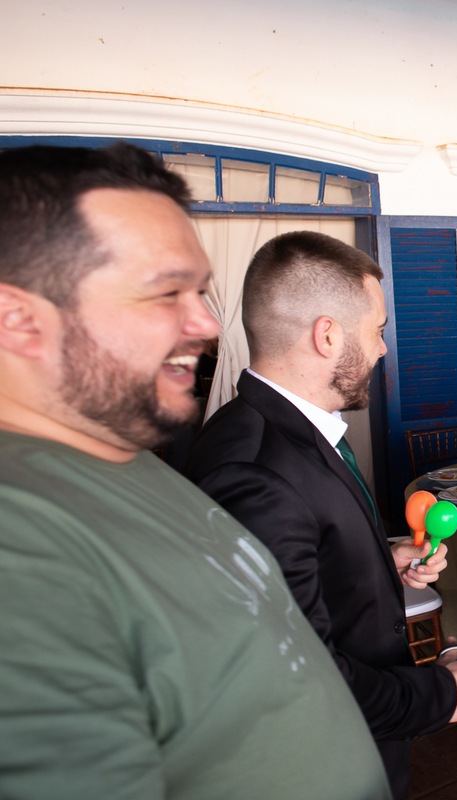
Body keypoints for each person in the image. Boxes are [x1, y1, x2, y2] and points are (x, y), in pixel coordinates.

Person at [0, 143, 391, 799]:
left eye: (201, 291)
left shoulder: (126, 459)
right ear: (19, 320)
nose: (207, 324)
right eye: (165, 293)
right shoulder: (20, 545)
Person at [185, 231, 457, 800]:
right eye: (377, 331)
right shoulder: (252, 472)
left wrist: (379, 560)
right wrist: (441, 694)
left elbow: (298, 575)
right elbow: (294, 675)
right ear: (328, 335)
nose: (383, 350)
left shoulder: (282, 430)